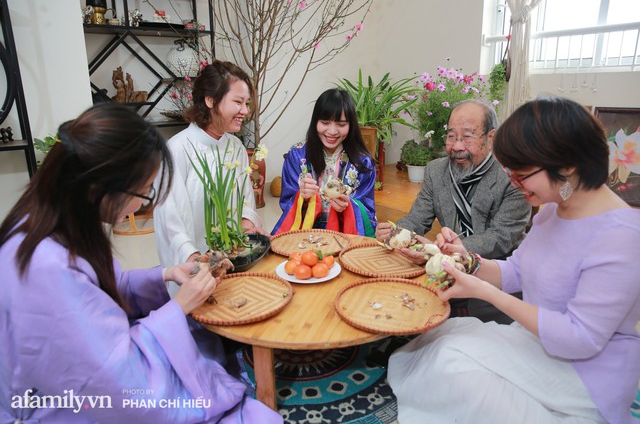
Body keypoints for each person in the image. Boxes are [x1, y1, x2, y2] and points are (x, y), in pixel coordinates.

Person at [0, 103, 282, 423]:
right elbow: (119, 379)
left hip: (99, 370)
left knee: (205, 340)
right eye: (144, 190)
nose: (143, 202)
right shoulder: (46, 269)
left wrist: (167, 275)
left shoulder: (52, 221)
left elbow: (103, 293)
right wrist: (179, 308)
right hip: (77, 403)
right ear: (103, 187)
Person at [388, 97, 640, 424]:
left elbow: (580, 338)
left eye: (521, 174)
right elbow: (518, 270)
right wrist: (469, 262)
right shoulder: (553, 209)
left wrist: (483, 290)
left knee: (453, 365)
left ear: (567, 167)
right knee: (442, 340)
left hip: (583, 375)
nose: (514, 182)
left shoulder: (623, 235)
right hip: (538, 342)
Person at [376, 99, 531, 320]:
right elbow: (417, 218)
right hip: (444, 270)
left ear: (491, 137)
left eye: (467, 136)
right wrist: (397, 233)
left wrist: (451, 251)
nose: (457, 146)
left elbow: (501, 237)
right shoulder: (436, 171)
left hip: (496, 277)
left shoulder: (512, 176)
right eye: (451, 136)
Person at [154, 60, 268, 289]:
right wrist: (194, 257)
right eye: (238, 102)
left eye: (247, 103)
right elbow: (170, 218)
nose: (245, 111)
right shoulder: (177, 149)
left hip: (233, 260)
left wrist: (247, 225)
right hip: (194, 268)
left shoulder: (235, 147)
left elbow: (245, 200)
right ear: (210, 100)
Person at [272, 88, 377, 236]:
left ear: (351, 125)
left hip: (346, 235)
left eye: (341, 125)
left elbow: (368, 210)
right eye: (325, 122)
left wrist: (349, 206)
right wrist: (303, 198)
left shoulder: (363, 162)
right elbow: (286, 202)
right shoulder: (296, 155)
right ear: (315, 121)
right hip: (306, 234)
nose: (332, 131)